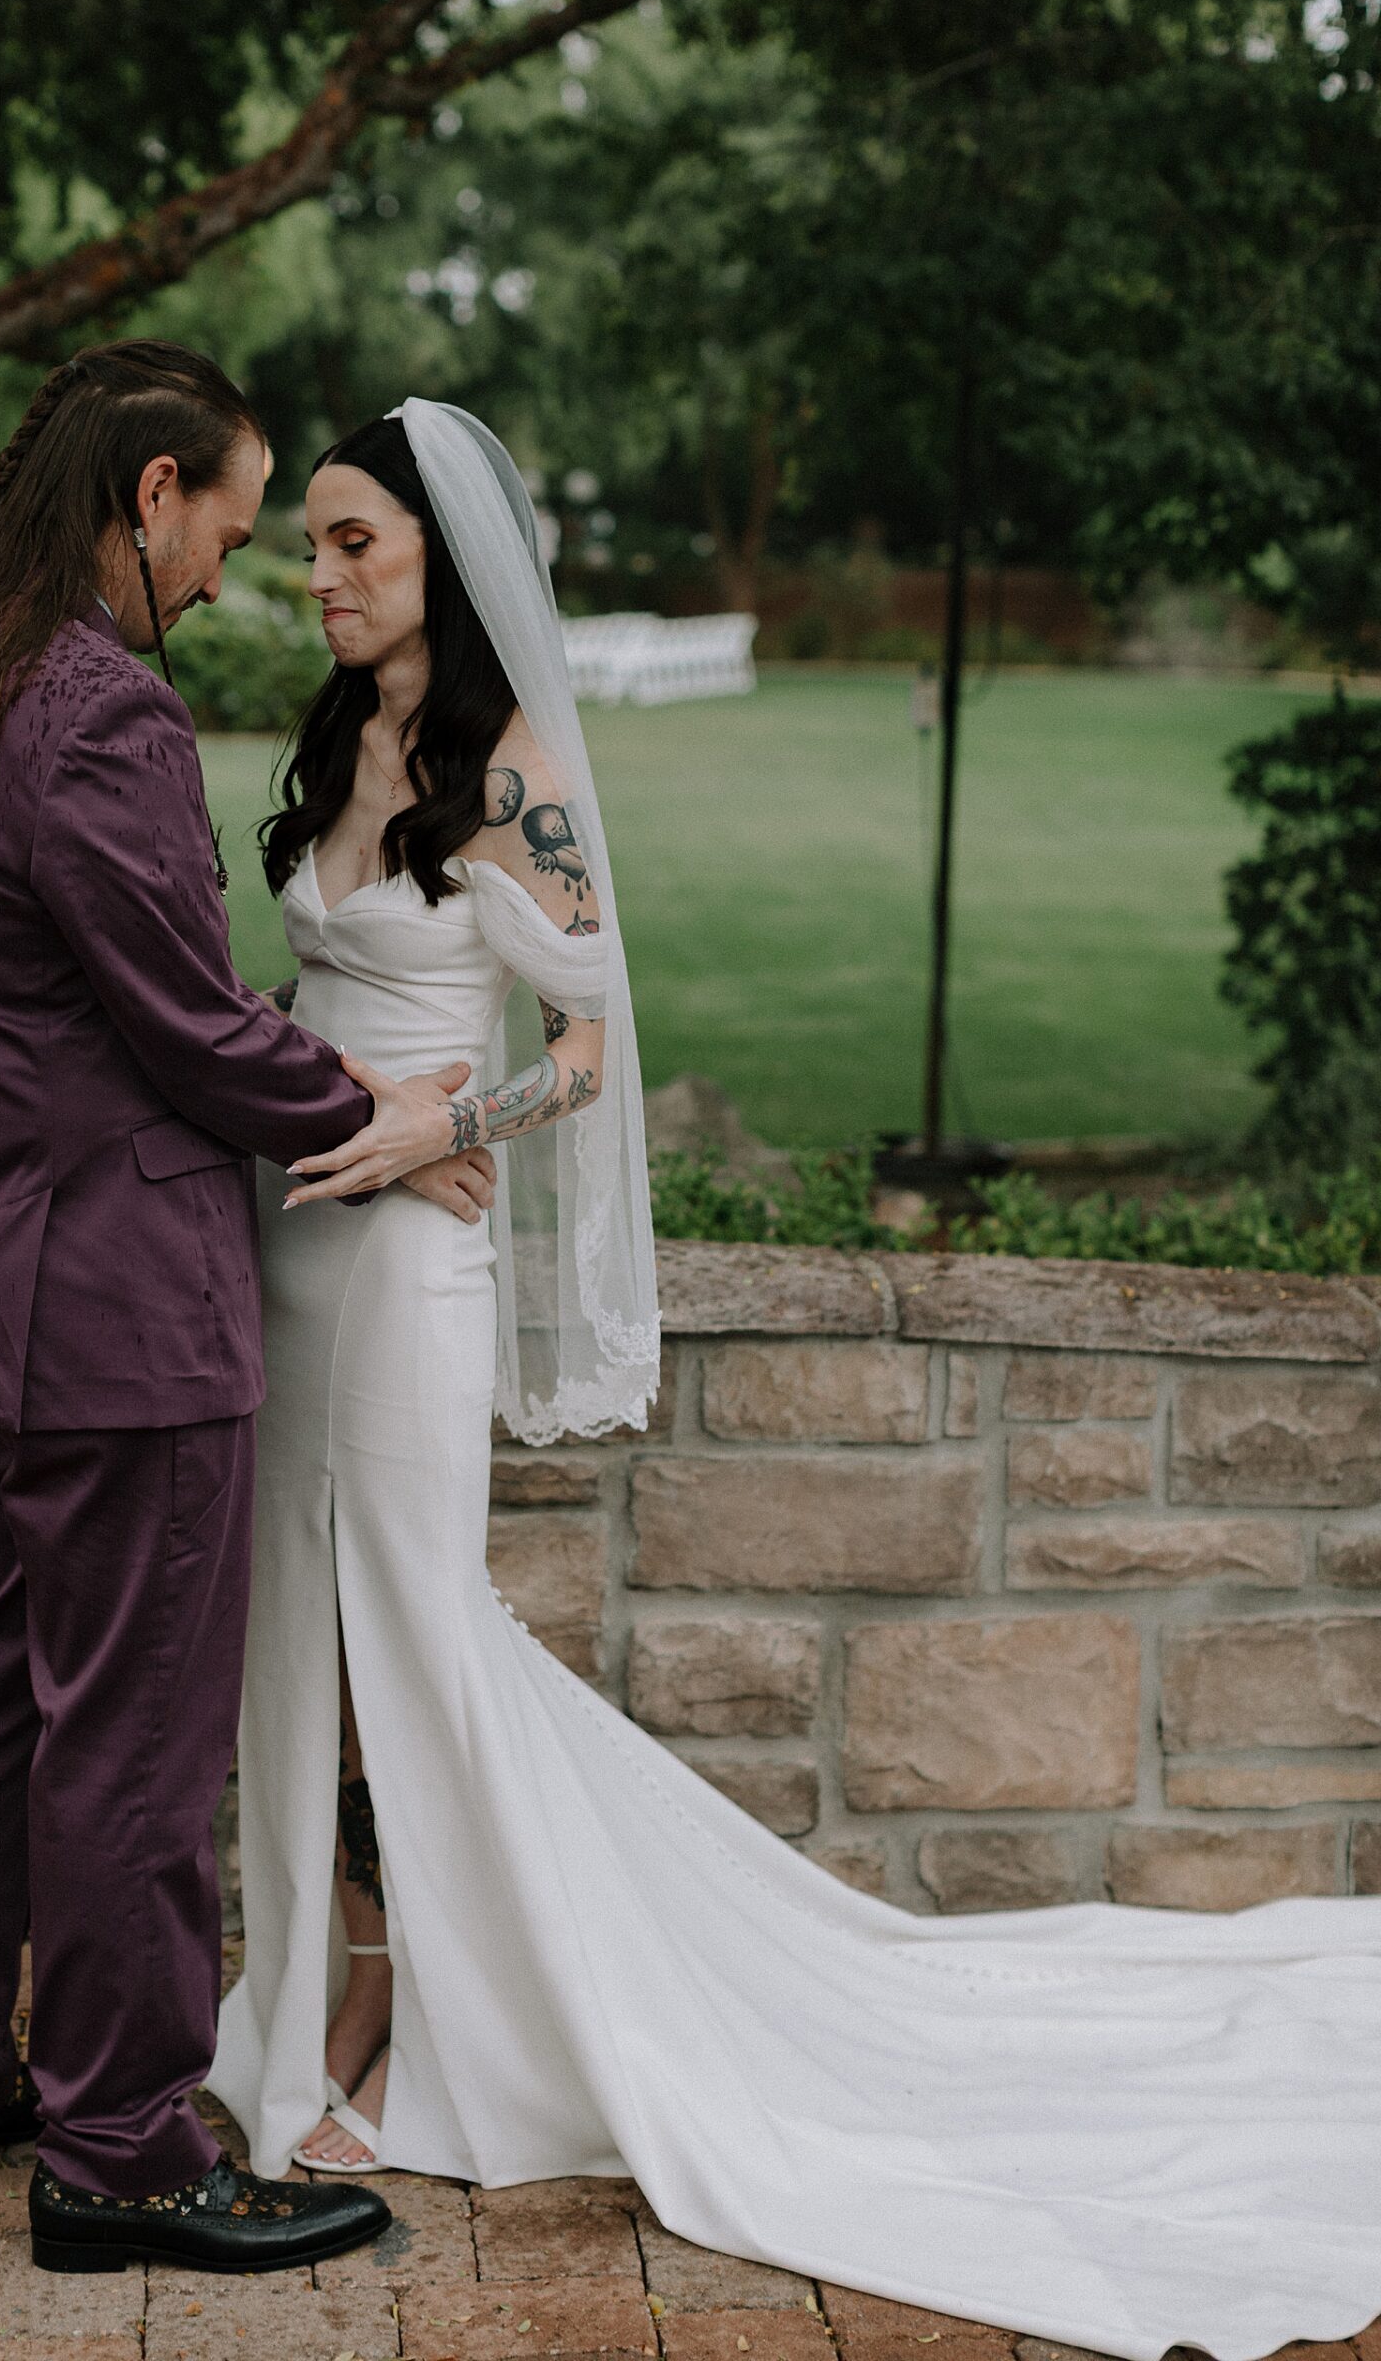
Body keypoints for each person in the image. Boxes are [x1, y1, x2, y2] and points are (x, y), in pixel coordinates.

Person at [206, 398, 1381, 2361]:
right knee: (286, 1641)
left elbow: (586, 1053)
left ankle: (427, 2015)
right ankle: (301, 2003)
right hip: (282, 1244)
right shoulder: (343, 743)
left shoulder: (517, 768)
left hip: (407, 1259)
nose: (319, 577)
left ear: (443, 556)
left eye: (353, 545)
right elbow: (318, 987)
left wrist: (436, 1129)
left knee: (410, 1633)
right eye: (312, 546)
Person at [0, 340, 494, 2277]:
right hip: (116, 1301)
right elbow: (187, 1024)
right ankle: (119, 2143)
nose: (230, 566)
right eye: (226, 512)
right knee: (124, 1726)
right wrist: (383, 1103)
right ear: (145, 495)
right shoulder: (95, 709)